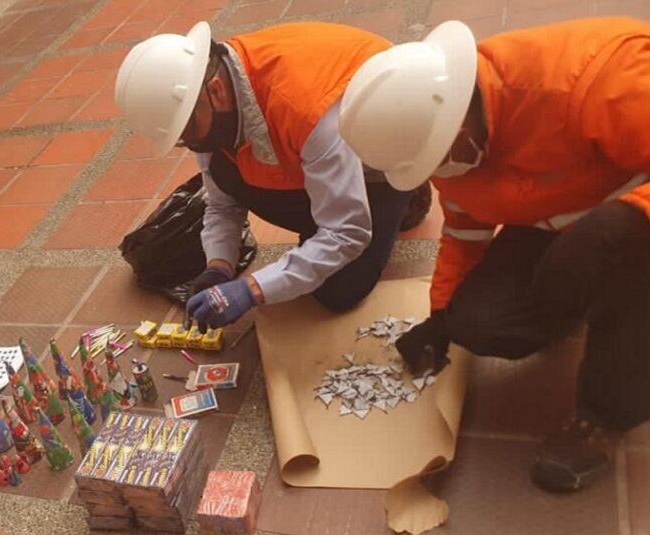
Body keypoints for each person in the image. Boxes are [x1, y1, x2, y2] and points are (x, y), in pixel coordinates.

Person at [339, 17, 650, 493]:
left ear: (459, 114)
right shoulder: (444, 142)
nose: (439, 172)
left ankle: (605, 416)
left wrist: (623, 221)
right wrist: (440, 316)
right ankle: (579, 294)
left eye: (437, 156)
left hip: (632, 222)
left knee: (627, 264)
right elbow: (464, 232)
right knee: (476, 320)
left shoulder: (600, 80)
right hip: (568, 223)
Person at [114, 21, 431, 331]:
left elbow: (348, 233)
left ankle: (407, 193)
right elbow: (222, 204)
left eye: (189, 131)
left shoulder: (304, 110)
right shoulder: (206, 95)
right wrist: (218, 268)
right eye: (182, 138)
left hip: (380, 157)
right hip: (322, 149)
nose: (192, 144)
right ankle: (323, 222)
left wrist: (252, 289)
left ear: (217, 92)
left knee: (341, 290)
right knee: (230, 175)